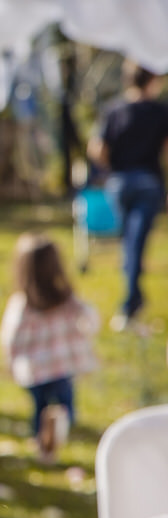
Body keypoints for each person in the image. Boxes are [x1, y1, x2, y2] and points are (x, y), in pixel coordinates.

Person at [0, 232, 99, 463]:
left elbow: (10, 338)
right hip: (62, 366)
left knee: (40, 406)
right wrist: (87, 329)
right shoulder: (66, 298)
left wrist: (10, 361)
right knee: (65, 405)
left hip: (35, 370)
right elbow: (90, 316)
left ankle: (43, 443)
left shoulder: (22, 304)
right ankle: (59, 425)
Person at [88, 61, 168, 330]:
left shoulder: (114, 110)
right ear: (152, 80)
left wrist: (111, 167)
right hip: (147, 183)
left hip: (119, 184)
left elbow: (97, 148)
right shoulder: (159, 111)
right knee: (135, 243)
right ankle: (130, 304)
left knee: (129, 242)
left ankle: (133, 299)